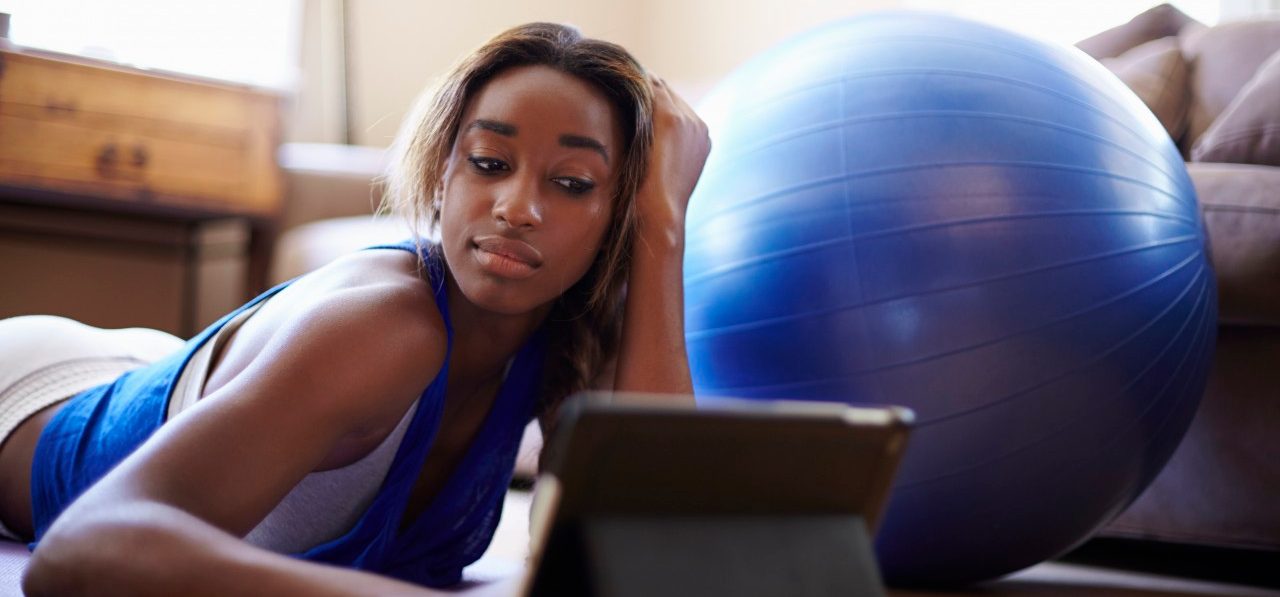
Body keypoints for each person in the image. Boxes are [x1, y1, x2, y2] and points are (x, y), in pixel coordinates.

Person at [0, 21, 709, 595]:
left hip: (181, 369)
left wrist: (661, 231)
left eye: (573, 182)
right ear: (441, 176)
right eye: (489, 163)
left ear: (616, 213)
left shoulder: (572, 338)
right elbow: (76, 551)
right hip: (29, 389)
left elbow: (659, 558)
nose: (517, 207)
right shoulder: (388, 328)